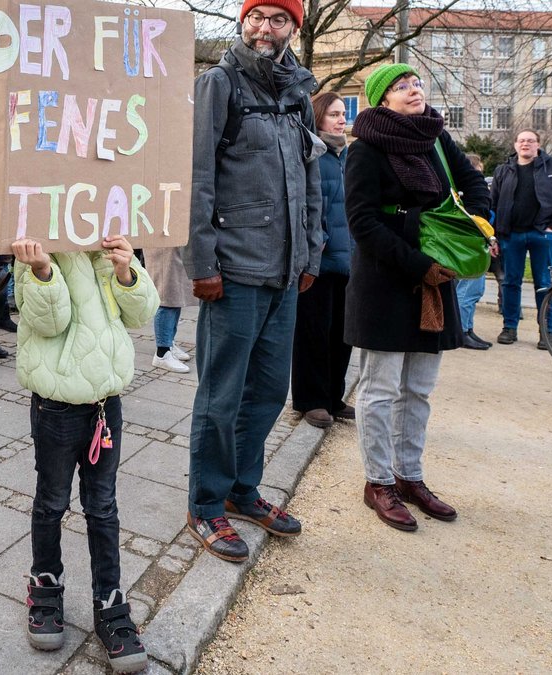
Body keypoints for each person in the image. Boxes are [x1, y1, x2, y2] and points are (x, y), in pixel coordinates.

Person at [184, 0, 323, 563]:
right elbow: (195, 176)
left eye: (278, 19)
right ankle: (206, 504)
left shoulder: (298, 95)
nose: (264, 28)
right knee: (222, 395)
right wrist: (202, 263)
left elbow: (311, 175)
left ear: (294, 27)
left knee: (267, 392)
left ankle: (243, 490)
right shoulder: (219, 83)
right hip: (234, 269)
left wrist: (311, 253)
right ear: (243, 22)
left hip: (286, 271)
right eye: (256, 16)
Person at [344, 64, 489, 531]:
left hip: (437, 274)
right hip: (389, 277)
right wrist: (418, 265)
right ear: (382, 99)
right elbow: (362, 222)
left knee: (420, 388)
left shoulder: (437, 139)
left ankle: (410, 476)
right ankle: (378, 481)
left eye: (416, 83)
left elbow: (474, 183)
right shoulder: (365, 150)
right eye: (401, 86)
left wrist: (478, 224)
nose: (413, 90)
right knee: (380, 388)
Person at [9, 235, 157, 672]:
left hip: (105, 404)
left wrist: (128, 271)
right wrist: (40, 271)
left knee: (103, 506)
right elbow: (48, 322)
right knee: (52, 501)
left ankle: (110, 602)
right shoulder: (33, 249)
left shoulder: (109, 248)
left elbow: (141, 312)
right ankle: (46, 585)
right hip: (56, 403)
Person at [291, 92, 354, 426]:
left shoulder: (346, 156)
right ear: (318, 118)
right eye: (334, 114)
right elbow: (310, 206)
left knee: (342, 334)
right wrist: (321, 242)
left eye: (343, 113)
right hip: (320, 260)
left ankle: (333, 396)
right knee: (313, 333)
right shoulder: (314, 154)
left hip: (348, 262)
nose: (342, 119)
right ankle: (309, 400)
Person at [490, 129, 552, 349]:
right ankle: (509, 328)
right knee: (511, 282)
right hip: (511, 234)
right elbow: (492, 204)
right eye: (521, 141)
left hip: (542, 234)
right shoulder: (503, 170)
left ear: (538, 145)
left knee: (543, 283)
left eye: (530, 141)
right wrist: (492, 236)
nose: (525, 144)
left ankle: (546, 332)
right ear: (515, 145)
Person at [454, 152, 499, 351]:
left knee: (474, 290)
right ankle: (462, 331)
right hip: (469, 246)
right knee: (467, 291)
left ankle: (468, 328)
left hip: (477, 244)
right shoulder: (464, 196)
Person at [144, 247, 194, 373]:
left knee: (175, 293)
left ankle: (169, 343)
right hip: (162, 243)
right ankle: (162, 352)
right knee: (166, 294)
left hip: (172, 242)